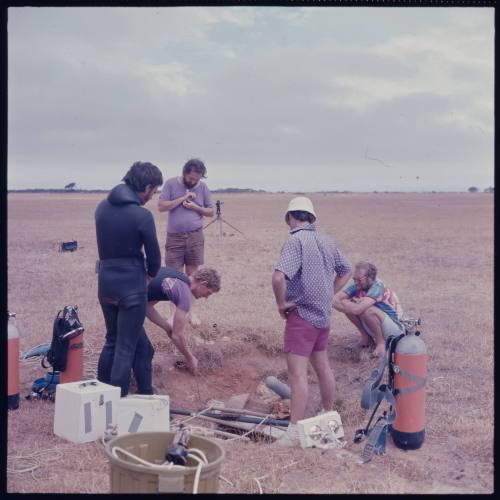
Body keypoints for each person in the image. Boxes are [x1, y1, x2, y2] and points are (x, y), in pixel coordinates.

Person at [272, 196, 352, 446]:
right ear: (312, 218)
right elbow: (347, 270)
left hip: (302, 316)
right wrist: (330, 292)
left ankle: (294, 431)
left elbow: (278, 278)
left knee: (297, 375)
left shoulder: (295, 241)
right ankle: (328, 416)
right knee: (322, 366)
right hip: (322, 317)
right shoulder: (326, 240)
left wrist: (281, 303)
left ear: (289, 218)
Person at [95, 161, 163, 397]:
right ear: (145, 186)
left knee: (111, 342)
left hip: (105, 283)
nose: (152, 196)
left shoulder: (101, 208)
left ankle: (101, 397)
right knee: (126, 347)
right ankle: (118, 403)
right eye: (153, 191)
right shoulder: (142, 215)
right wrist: (150, 274)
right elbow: (154, 257)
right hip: (132, 286)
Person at [158, 158, 214, 326]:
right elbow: (161, 206)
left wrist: (196, 207)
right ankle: (173, 314)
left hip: (195, 236)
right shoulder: (170, 184)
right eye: (191, 178)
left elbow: (210, 211)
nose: (194, 182)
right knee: (173, 276)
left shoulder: (203, 188)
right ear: (184, 173)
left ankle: (191, 313)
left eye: (197, 179)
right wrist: (182, 199)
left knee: (192, 276)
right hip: (174, 237)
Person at [145, 266, 221, 375]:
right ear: (203, 283)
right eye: (208, 293)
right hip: (125, 303)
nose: (206, 297)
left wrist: (167, 327)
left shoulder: (176, 276)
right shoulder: (184, 295)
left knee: (142, 350)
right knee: (143, 351)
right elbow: (177, 336)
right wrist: (190, 358)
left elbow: (146, 306)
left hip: (119, 292)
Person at [333, 261, 404, 358]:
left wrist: (339, 303)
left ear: (370, 278)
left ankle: (380, 344)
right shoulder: (359, 285)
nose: (356, 283)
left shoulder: (378, 286)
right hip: (378, 324)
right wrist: (344, 304)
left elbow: (357, 310)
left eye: (359, 280)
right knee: (349, 305)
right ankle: (366, 338)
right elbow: (336, 298)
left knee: (367, 310)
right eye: (354, 279)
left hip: (395, 329)